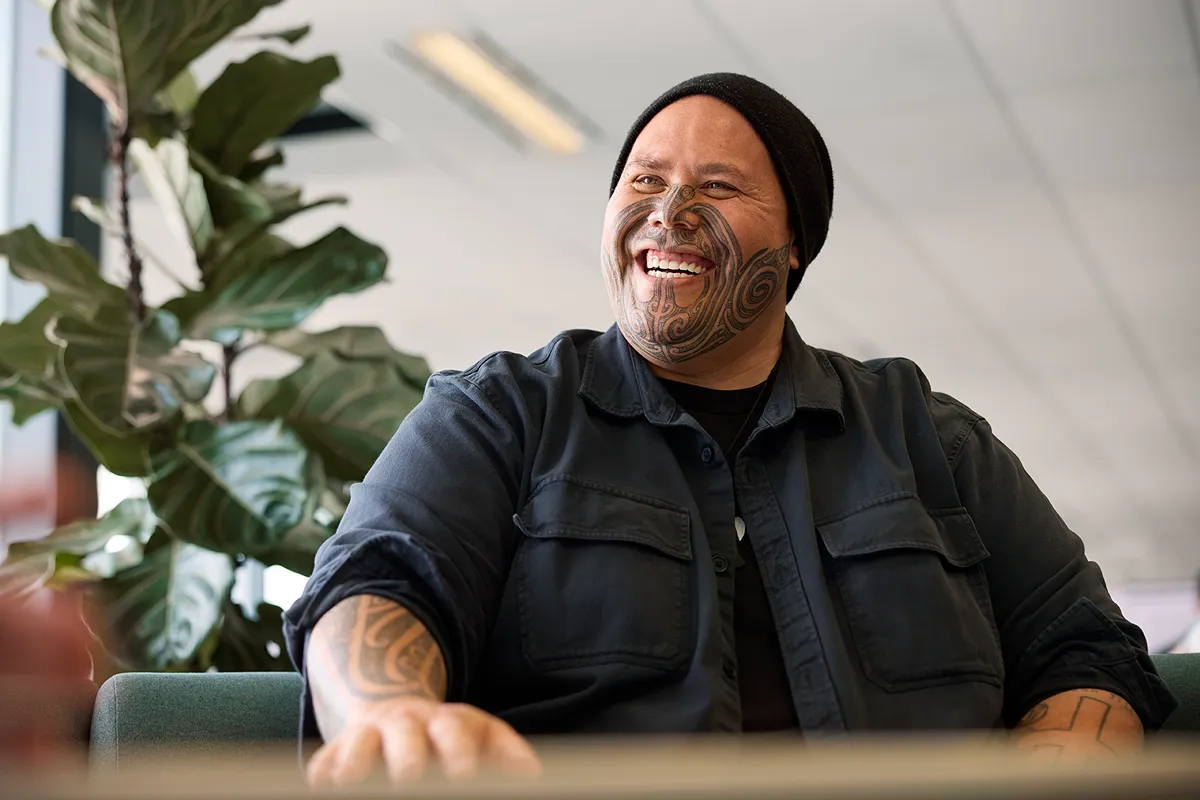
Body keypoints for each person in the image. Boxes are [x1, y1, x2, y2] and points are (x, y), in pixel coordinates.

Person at [283, 73, 1177, 785]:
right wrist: (386, 712)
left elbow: (1085, 649)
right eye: (643, 179)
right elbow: (379, 580)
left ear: (794, 246)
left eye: (718, 186)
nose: (668, 211)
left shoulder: (928, 440)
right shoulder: (500, 414)